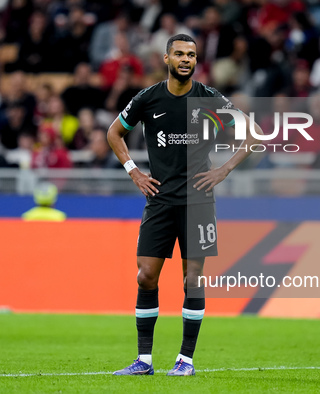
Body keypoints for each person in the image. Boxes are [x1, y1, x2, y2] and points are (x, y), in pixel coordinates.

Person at [107, 34, 262, 376]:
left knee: (192, 279)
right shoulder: (148, 99)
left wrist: (222, 170)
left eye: (191, 54)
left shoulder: (209, 98)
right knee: (146, 277)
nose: (185, 59)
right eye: (179, 53)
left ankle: (185, 360)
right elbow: (113, 133)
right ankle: (144, 361)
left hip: (198, 201)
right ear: (166, 59)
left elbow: (252, 134)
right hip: (159, 200)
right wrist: (134, 171)